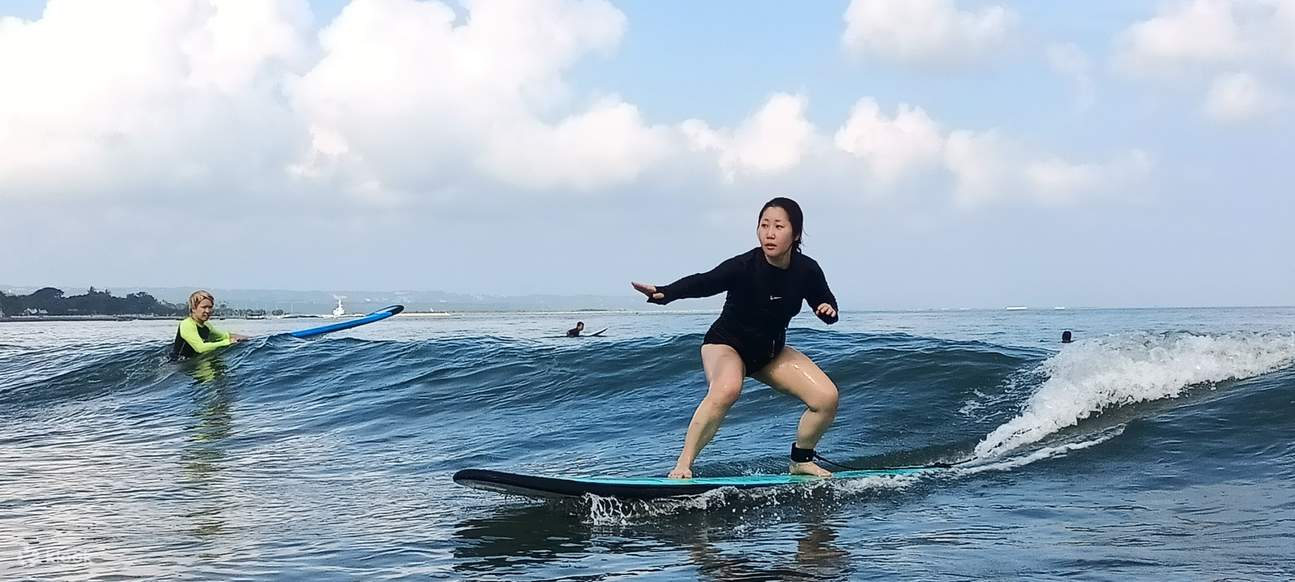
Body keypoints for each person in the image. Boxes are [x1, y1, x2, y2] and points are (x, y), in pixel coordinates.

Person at [632, 196, 840, 479]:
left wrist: (827, 310)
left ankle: (801, 460)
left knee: (826, 398)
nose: (769, 233)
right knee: (727, 388)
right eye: (764, 225)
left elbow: (824, 300)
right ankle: (683, 464)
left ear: (796, 234)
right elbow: (704, 282)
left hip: (769, 352)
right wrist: (665, 293)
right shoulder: (744, 266)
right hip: (726, 345)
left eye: (779, 226)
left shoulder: (806, 270)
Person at [170, 290, 248, 360]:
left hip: (193, 361)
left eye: (210, 307)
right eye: (204, 307)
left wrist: (249, 339)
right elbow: (200, 348)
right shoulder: (187, 324)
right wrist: (227, 342)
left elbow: (224, 336)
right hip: (177, 365)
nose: (208, 311)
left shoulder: (206, 325)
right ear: (193, 308)